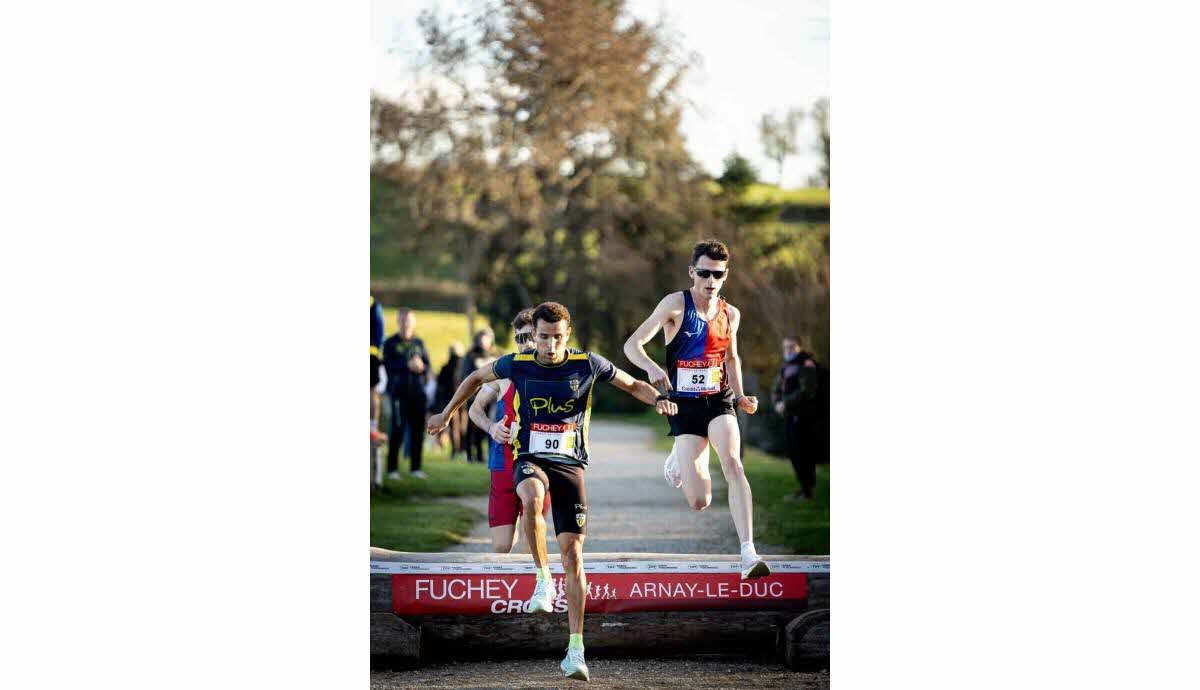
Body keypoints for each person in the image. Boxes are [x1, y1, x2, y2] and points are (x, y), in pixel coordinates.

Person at [427, 302, 676, 682]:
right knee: (530, 497)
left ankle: (575, 649)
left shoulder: (587, 363)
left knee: (573, 554)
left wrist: (658, 399)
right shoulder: (517, 363)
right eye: (543, 337)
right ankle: (543, 580)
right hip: (529, 457)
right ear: (536, 334)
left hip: (570, 465)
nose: (550, 345)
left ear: (568, 335)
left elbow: (631, 384)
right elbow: (475, 379)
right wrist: (446, 414)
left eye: (558, 337)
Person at [623, 238, 770, 580]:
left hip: (718, 401)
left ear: (725, 275)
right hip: (684, 406)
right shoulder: (675, 305)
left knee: (733, 463)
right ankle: (681, 453)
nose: (710, 280)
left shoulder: (731, 314)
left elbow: (732, 357)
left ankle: (748, 551)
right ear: (692, 272)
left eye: (717, 274)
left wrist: (742, 395)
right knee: (699, 501)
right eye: (703, 272)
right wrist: (650, 367)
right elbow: (632, 345)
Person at [468, 308, 551, 553]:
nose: (524, 343)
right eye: (518, 338)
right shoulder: (503, 373)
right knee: (502, 546)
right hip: (503, 465)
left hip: (538, 465)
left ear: (540, 335)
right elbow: (475, 410)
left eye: (528, 336)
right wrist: (491, 427)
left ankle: (533, 589)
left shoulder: (553, 372)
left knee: (529, 547)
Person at [382, 308, 432, 479]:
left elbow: (428, 366)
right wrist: (407, 366)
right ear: (398, 321)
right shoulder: (390, 343)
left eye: (409, 320)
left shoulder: (419, 343)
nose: (406, 323)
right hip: (398, 395)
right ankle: (392, 469)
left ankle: (416, 468)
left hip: (418, 395)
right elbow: (388, 365)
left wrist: (422, 367)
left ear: (414, 322)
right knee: (397, 430)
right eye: (403, 320)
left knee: (418, 432)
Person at [772, 338, 822, 501]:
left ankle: (807, 491)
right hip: (789, 417)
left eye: (792, 346)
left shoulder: (806, 365)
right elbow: (777, 388)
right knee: (794, 454)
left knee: (804, 455)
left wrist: (785, 403)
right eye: (785, 347)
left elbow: (807, 389)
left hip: (804, 418)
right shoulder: (786, 366)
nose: (788, 350)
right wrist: (778, 402)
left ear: (799, 347)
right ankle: (803, 489)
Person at [460, 328, 499, 463]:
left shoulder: (496, 354)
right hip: (474, 396)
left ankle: (487, 455)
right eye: (482, 338)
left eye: (487, 338)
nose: (484, 341)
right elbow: (465, 376)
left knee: (490, 426)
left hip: (492, 397)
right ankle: (472, 455)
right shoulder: (470, 356)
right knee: (473, 427)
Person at [434, 343, 467, 457]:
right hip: (464, 400)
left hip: (451, 400)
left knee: (454, 427)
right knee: (463, 426)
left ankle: (455, 451)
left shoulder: (445, 367)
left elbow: (440, 386)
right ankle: (463, 450)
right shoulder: (464, 365)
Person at [370, 296, 388, 491]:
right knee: (372, 391)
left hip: (370, 354)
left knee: (372, 391)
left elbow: (380, 330)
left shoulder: (373, 303)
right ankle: (372, 424)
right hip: (371, 353)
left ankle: (372, 425)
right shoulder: (373, 303)